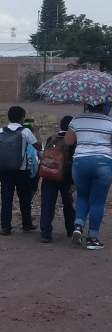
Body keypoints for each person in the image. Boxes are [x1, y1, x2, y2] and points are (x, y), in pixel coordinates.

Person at [63, 103, 112, 250]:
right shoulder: (109, 121)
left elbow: (68, 141)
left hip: (80, 163)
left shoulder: (77, 119)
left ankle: (78, 226)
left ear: (87, 104)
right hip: (103, 163)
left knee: (82, 197)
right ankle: (92, 239)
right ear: (103, 105)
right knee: (97, 202)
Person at [0, 106, 41, 236]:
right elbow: (38, 146)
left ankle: (5, 226)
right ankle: (26, 224)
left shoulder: (1, 130)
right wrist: (37, 131)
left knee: (6, 197)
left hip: (4, 169)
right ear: (22, 118)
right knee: (24, 197)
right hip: (21, 169)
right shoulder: (25, 131)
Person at [39, 116, 76, 243]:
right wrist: (73, 182)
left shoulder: (51, 138)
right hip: (66, 176)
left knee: (47, 203)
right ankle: (70, 228)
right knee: (68, 203)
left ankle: (45, 231)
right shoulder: (72, 141)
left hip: (49, 174)